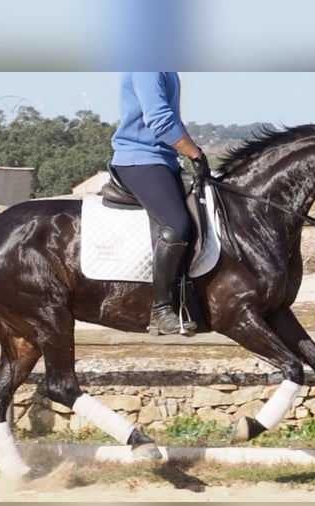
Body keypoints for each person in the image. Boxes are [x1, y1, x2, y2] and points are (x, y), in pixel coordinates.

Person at [110, 72, 210, 336]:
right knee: (176, 225)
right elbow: (160, 120)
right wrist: (194, 154)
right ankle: (161, 310)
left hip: (163, 160)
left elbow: (173, 119)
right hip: (140, 159)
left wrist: (192, 151)